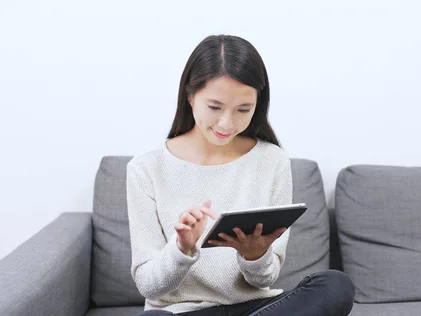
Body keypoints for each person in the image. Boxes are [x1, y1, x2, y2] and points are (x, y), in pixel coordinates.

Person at [126, 34, 355, 316]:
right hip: (181, 312)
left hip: (255, 308)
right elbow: (149, 287)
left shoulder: (273, 161)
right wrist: (182, 248)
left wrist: (254, 254)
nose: (227, 123)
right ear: (190, 96)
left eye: (243, 109)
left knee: (335, 285)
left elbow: (265, 279)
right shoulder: (146, 168)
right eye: (215, 107)